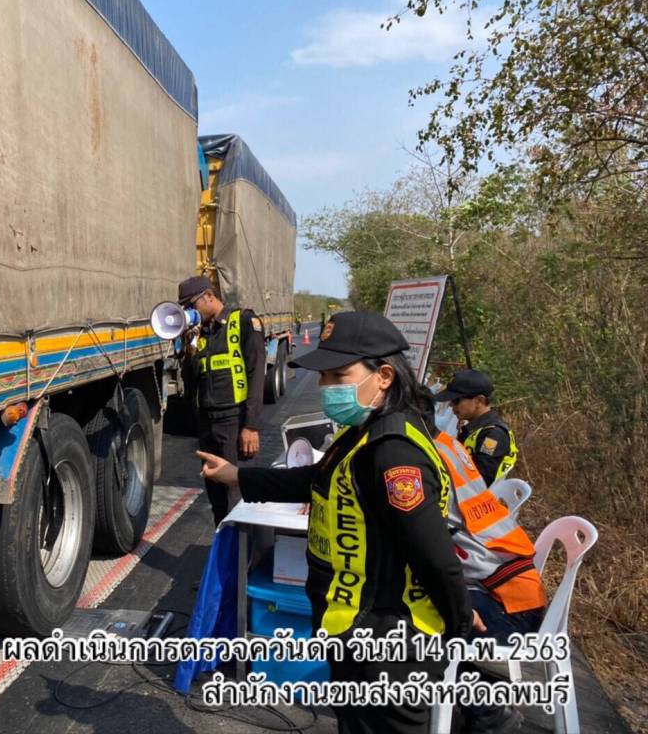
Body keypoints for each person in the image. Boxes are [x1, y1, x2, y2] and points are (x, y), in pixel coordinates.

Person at [199, 311, 473, 734]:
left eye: (338, 375)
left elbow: (433, 555)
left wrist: (460, 623)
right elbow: (315, 479)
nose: (325, 386)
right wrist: (237, 475)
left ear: (384, 376)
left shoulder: (394, 453)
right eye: (323, 376)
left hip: (388, 645)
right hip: (354, 628)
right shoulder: (363, 431)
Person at [428, 403, 546, 733]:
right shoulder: (448, 447)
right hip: (508, 589)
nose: (454, 406)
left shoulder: (429, 466)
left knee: (413, 620)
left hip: (511, 609)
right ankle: (485, 691)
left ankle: (488, 709)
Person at [177, 275, 266, 526]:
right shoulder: (199, 334)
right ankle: (223, 545)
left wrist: (251, 426)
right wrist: (188, 350)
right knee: (216, 495)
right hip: (207, 423)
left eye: (190, 305)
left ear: (209, 296)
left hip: (234, 422)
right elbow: (190, 384)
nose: (188, 312)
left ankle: (243, 548)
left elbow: (256, 375)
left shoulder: (243, 322)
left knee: (237, 496)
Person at [435, 370, 518, 486]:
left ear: (479, 401)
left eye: (456, 400)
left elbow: (480, 480)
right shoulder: (473, 429)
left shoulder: (493, 435)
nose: (451, 405)